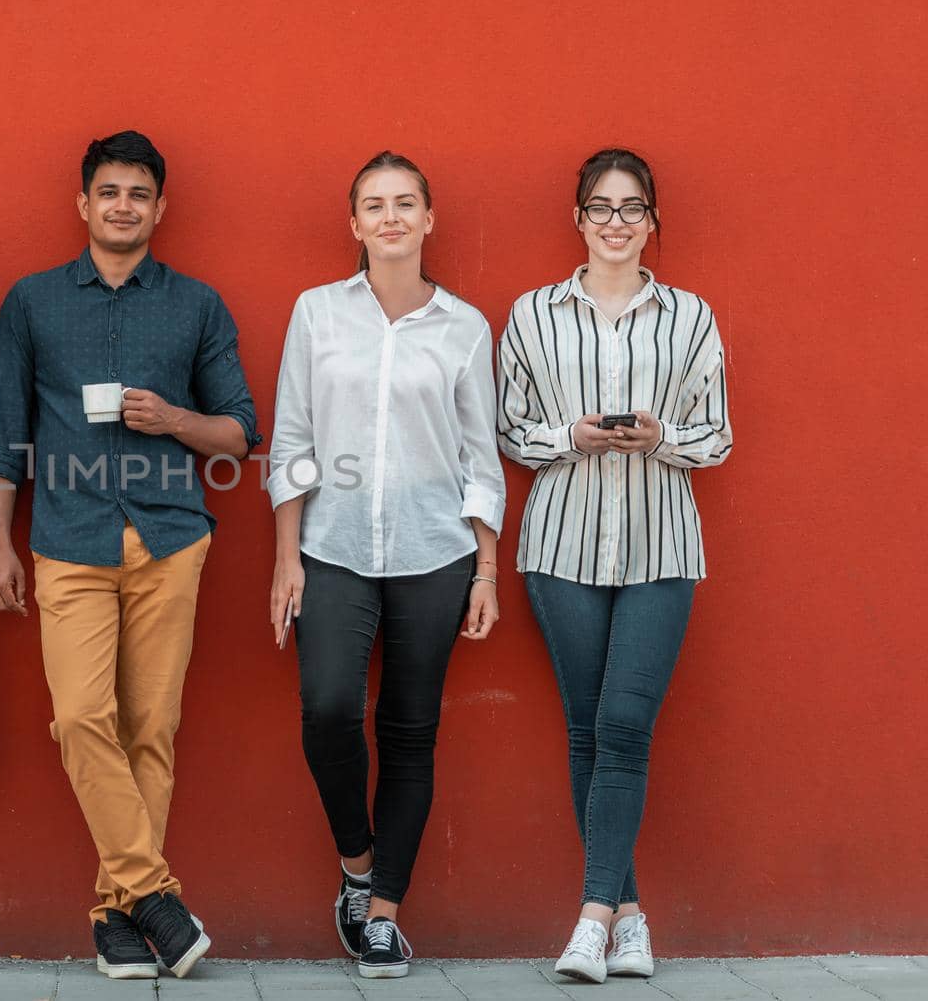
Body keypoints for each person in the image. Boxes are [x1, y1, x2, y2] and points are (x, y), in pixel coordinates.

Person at [0, 130, 260, 980]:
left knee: (154, 727)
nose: (124, 205)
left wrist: (172, 419)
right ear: (84, 204)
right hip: (67, 538)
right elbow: (2, 433)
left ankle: (116, 917)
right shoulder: (30, 302)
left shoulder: (198, 305)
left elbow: (241, 432)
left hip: (172, 535)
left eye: (139, 193)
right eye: (109, 192)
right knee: (79, 717)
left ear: (159, 208)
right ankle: (155, 895)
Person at [267, 152, 506, 979]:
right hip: (330, 547)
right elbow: (292, 437)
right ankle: (357, 865)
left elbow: (483, 458)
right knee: (329, 707)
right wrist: (285, 557)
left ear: (430, 219)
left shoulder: (466, 327)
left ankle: (383, 915)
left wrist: (486, 568)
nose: (392, 216)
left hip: (434, 552)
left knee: (410, 729)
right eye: (376, 204)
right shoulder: (316, 313)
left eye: (407, 203)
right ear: (355, 223)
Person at [496, 148, 732, 983]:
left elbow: (718, 435)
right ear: (578, 218)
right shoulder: (531, 314)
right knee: (588, 728)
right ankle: (629, 918)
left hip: (662, 544)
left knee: (626, 725)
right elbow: (510, 430)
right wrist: (574, 436)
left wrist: (661, 436)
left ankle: (591, 919)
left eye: (633, 208)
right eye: (601, 207)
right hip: (560, 545)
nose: (616, 223)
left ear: (652, 221)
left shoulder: (692, 317)